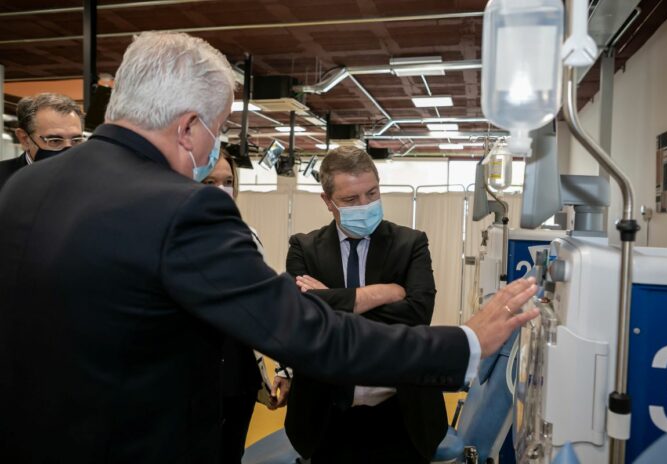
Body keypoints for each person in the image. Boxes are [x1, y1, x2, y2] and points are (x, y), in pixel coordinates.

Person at [0, 31, 538, 463]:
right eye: (217, 130)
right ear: (188, 128)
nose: (216, 148)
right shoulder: (181, 206)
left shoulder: (24, 185)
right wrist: (465, 343)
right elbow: (306, 332)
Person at [283, 147, 446, 463]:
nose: (365, 205)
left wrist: (330, 300)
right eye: (350, 199)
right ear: (327, 201)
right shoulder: (304, 247)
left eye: (371, 194)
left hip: (402, 416)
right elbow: (301, 318)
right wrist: (383, 293)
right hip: (326, 418)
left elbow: (417, 314)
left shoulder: (411, 243)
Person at [201, 153, 290, 463]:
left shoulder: (247, 235)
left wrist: (285, 367)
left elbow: (265, 303)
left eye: (228, 181)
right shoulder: (171, 235)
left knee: (231, 451)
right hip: (194, 372)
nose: (222, 189)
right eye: (209, 182)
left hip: (239, 369)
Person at [0, 92, 83, 190]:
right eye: (55, 141)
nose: (69, 151)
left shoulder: (93, 177)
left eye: (76, 140)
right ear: (24, 139)